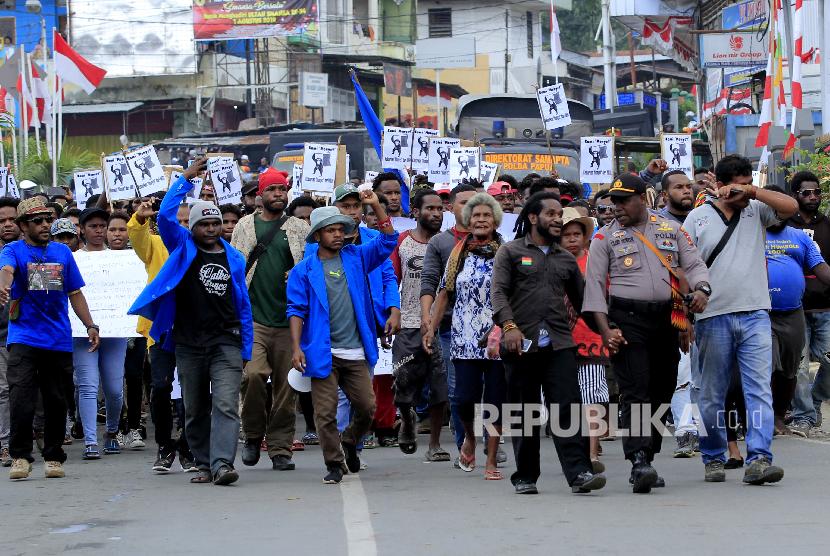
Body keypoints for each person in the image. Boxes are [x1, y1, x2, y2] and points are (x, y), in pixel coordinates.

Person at [130, 159, 254, 486]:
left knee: (226, 404)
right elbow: (166, 215)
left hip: (225, 341)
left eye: (215, 223)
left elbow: (243, 304)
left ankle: (223, 464)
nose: (211, 228)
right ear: (193, 228)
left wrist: (246, 346)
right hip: (187, 343)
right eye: (204, 224)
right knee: (195, 408)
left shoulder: (235, 258)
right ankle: (202, 462)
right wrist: (185, 178)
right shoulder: (182, 247)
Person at [583, 174, 710, 494]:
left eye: (624, 200)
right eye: (614, 201)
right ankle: (638, 458)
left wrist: (701, 292)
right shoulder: (603, 238)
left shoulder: (672, 229)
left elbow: (691, 268)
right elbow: (595, 290)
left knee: (663, 388)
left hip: (667, 318)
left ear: (644, 198)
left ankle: (648, 456)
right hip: (627, 320)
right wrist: (605, 330)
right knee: (636, 389)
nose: (617, 207)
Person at [684, 154, 797, 485]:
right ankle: (713, 455)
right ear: (719, 185)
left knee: (759, 389)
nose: (742, 190)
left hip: (755, 314)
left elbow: (789, 206)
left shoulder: (757, 209)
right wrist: (686, 316)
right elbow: (682, 266)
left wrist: (753, 193)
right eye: (736, 184)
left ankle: (759, 458)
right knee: (710, 393)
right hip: (712, 317)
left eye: (748, 183)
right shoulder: (697, 218)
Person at [491, 194, 606, 494]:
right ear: (532, 217)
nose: (558, 220)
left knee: (567, 410)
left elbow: (584, 304)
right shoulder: (510, 252)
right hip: (520, 345)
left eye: (560, 215)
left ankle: (579, 473)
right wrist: (510, 327)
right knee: (524, 412)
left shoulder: (566, 259)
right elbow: (499, 293)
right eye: (552, 214)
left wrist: (608, 331)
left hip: (559, 345)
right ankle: (526, 476)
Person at [287, 192, 398, 484]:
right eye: (331, 230)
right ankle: (334, 463)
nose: (338, 234)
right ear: (317, 235)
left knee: (367, 407)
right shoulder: (303, 271)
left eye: (341, 229)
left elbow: (388, 241)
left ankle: (349, 440)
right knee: (325, 414)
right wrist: (296, 347)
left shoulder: (358, 257)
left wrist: (374, 203)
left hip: (357, 350)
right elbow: (296, 310)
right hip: (323, 352)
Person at [0, 197, 100, 480]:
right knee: (20, 397)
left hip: (57, 338)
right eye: (37, 222)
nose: (45, 225)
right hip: (23, 337)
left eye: (47, 220)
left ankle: (54, 457)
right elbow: (6, 272)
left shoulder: (62, 253)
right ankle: (20, 456)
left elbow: (75, 293)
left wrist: (91, 325)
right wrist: (3, 288)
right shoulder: (12, 250)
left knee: (56, 400)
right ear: (22, 226)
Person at [230, 167, 309, 471]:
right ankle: (252, 435)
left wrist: (296, 275)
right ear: (259, 195)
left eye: (283, 189)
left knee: (287, 387)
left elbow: (308, 266)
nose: (279, 194)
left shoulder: (299, 228)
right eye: (273, 189)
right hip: (254, 320)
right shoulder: (244, 227)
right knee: (252, 377)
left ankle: (280, 448)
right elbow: (236, 269)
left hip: (290, 321)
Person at [424, 193, 506, 480]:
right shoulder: (459, 252)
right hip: (464, 335)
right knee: (462, 398)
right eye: (476, 216)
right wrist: (431, 328)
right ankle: (470, 437)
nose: (481, 220)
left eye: (486, 215)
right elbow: (444, 293)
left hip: (497, 336)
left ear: (495, 220)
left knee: (496, 400)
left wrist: (506, 327)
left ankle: (492, 459)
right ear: (467, 221)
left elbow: (515, 294)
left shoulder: (505, 252)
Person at [129, 197, 197, 473]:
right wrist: (142, 219)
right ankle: (164, 446)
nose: (181, 226)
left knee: (191, 392)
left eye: (186, 222)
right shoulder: (155, 245)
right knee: (160, 388)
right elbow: (137, 237)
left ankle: (188, 447)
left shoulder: (200, 247)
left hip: (192, 330)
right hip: (160, 330)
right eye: (176, 221)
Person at [764, 185, 830, 435]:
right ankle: (764, 419)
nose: (778, 214)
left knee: (790, 370)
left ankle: (780, 416)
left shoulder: (800, 237)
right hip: (760, 313)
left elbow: (820, 268)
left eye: (781, 208)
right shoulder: (748, 235)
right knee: (766, 364)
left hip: (793, 313)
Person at [389, 189, 449, 461]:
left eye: (440, 209)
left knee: (439, 387)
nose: (436, 214)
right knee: (402, 383)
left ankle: (434, 443)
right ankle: (406, 417)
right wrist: (392, 314)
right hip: (409, 324)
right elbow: (391, 281)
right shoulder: (403, 242)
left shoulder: (449, 244)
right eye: (430, 209)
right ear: (415, 212)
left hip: (440, 325)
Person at [420, 184, 477, 459]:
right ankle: (464, 441)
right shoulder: (440, 243)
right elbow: (429, 283)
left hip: (486, 328)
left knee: (488, 388)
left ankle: (488, 442)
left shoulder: (494, 241)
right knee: (457, 389)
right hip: (450, 327)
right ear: (451, 207)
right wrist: (427, 320)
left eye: (475, 203)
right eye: (463, 202)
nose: (470, 208)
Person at [73, 207, 129, 459]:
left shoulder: (124, 259)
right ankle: (90, 441)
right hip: (81, 331)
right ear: (82, 230)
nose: (98, 230)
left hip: (114, 330)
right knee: (87, 384)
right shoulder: (72, 258)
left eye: (101, 226)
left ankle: (112, 431)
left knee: (115, 388)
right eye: (92, 226)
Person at [559, 206, 610, 472]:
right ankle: (579, 450)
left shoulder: (595, 262)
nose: (572, 239)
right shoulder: (553, 263)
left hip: (590, 337)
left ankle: (592, 453)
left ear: (585, 236)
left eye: (576, 233)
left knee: (592, 397)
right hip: (560, 341)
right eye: (566, 234)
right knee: (569, 400)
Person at [787, 171, 830, 436]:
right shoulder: (783, 225)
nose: (813, 197)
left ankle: (813, 402)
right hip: (794, 309)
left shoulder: (828, 224)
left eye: (817, 192)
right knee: (799, 368)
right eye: (806, 192)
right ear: (795, 196)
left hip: (826, 308)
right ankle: (803, 416)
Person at [0, 197, 19, 467]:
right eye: (1, 221)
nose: (6, 225)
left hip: (29, 332)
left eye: (11, 220)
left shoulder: (36, 251)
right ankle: (5, 443)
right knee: (4, 390)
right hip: (2, 334)